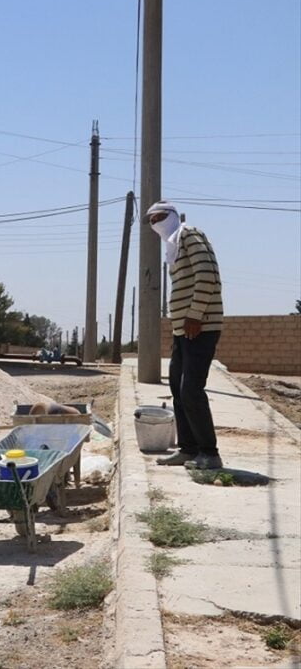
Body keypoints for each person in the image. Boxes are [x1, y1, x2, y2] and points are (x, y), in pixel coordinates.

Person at [147, 201, 224, 470]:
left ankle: (209, 453)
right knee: (177, 389)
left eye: (157, 217)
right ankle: (188, 449)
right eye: (150, 220)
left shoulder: (189, 234)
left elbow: (207, 275)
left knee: (191, 389)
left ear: (171, 216)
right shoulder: (174, 243)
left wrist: (194, 314)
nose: (154, 223)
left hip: (199, 326)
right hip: (184, 330)